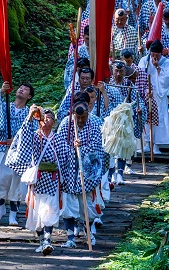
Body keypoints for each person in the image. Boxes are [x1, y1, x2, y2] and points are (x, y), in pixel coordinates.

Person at [5, 106, 63, 254]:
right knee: (36, 213)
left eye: (49, 117)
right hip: (37, 182)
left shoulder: (59, 139)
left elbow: (66, 159)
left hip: (52, 179)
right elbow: (22, 138)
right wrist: (30, 116)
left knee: (50, 211)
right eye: (44, 116)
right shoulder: (33, 136)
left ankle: (48, 241)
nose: (46, 119)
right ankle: (41, 241)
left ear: (54, 121)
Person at [0, 82, 36, 225]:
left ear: (29, 96)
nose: (21, 89)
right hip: (2, 150)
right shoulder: (5, 107)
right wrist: (2, 91)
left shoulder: (29, 113)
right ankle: (0, 209)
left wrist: (17, 140)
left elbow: (33, 132)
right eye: (20, 87)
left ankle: (13, 215)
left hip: (19, 154)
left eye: (25, 89)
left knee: (16, 183)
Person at [59, 102, 104, 248]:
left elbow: (97, 147)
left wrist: (82, 148)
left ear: (87, 114)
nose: (80, 121)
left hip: (87, 171)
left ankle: (89, 233)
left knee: (87, 205)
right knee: (68, 206)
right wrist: (72, 146)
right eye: (77, 118)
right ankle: (70, 237)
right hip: (69, 171)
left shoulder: (94, 124)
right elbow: (59, 145)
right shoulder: (66, 123)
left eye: (83, 117)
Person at [138, 41, 169, 154]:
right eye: (152, 54)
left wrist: (157, 67)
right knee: (146, 117)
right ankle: (146, 143)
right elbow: (140, 76)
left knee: (158, 119)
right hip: (147, 93)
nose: (154, 57)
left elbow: (166, 80)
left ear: (161, 53)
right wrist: (145, 90)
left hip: (159, 94)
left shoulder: (167, 62)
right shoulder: (144, 60)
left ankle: (156, 145)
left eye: (157, 55)